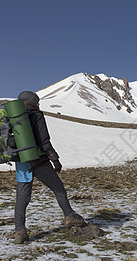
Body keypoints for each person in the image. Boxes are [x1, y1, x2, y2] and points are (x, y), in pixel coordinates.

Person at [14, 91, 85, 244]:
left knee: (22, 198)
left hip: (21, 162)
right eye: (36, 102)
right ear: (30, 103)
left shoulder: (13, 117)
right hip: (38, 161)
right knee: (58, 188)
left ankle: (20, 232)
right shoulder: (35, 115)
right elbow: (44, 140)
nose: (38, 104)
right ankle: (69, 215)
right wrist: (55, 159)